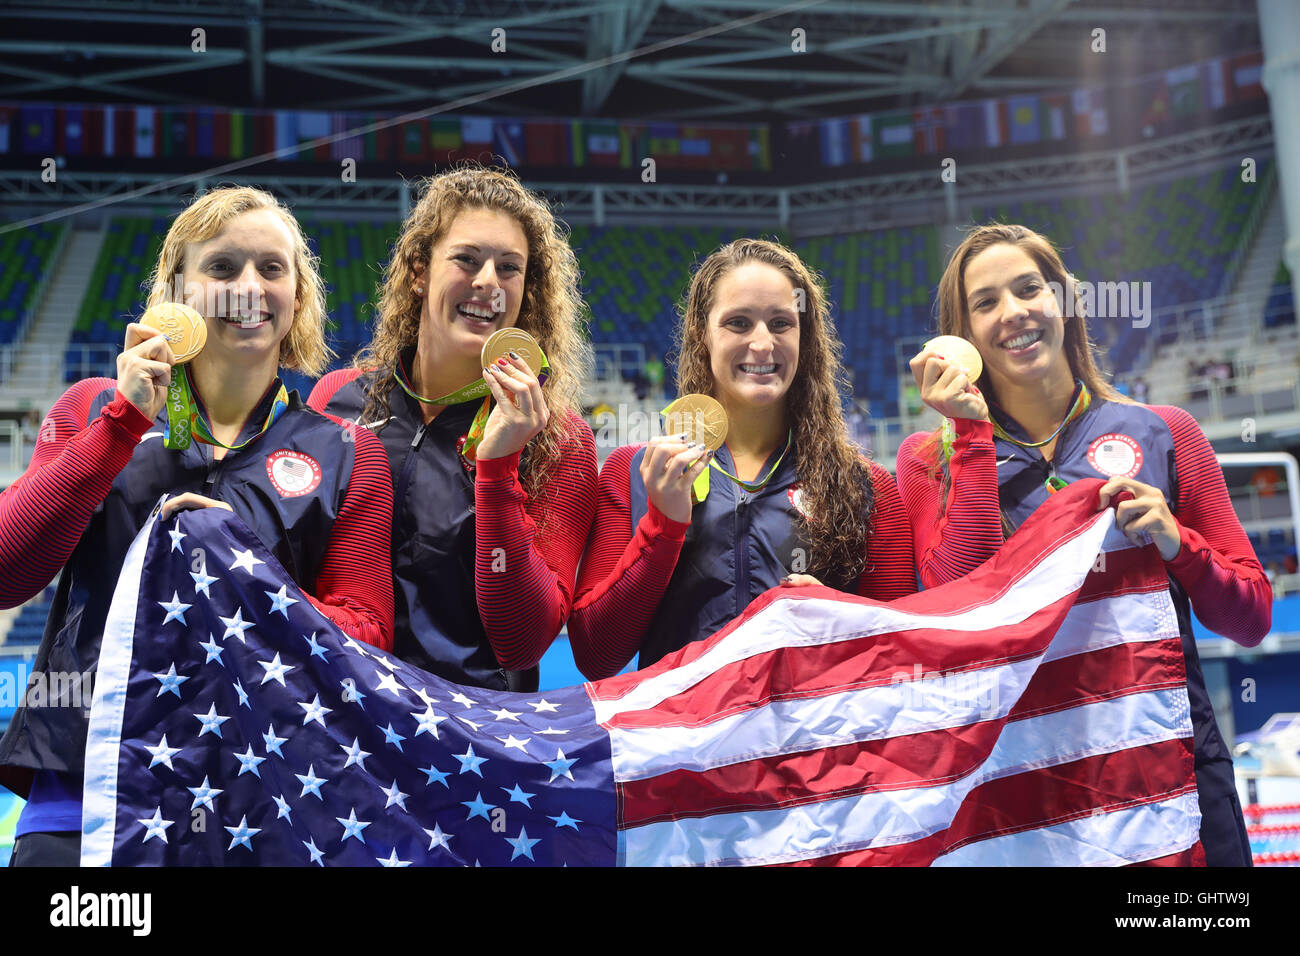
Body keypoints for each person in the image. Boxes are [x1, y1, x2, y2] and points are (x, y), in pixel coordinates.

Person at [0, 186, 395, 866]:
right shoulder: (93, 407)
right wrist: (120, 424)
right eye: (222, 267)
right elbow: (9, 571)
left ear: (297, 295)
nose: (249, 286)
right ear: (176, 289)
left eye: (272, 269)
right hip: (85, 796)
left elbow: (367, 635)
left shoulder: (348, 453)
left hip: (261, 803)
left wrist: (247, 571)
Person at [895, 223, 1271, 866]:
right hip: (1025, 781)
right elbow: (953, 604)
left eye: (1028, 289)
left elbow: (1252, 618)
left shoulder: (1165, 433)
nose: (1013, 312)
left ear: (1064, 301)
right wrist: (973, 437)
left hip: (1174, 763)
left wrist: (1181, 547)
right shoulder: (929, 460)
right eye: (985, 303)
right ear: (962, 337)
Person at [568, 238, 916, 680]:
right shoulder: (633, 473)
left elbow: (902, 657)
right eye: (738, 322)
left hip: (809, 745)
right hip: (684, 743)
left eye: (780, 323)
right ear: (702, 332)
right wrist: (663, 526)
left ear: (804, 337)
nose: (762, 343)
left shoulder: (866, 487)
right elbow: (596, 655)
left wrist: (843, 619)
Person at [310, 166, 596, 692]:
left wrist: (498, 469)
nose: (488, 280)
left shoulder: (559, 440)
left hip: (472, 745)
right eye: (467, 259)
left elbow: (524, 641)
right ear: (419, 271)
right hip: (341, 729)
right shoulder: (339, 400)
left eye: (510, 268)